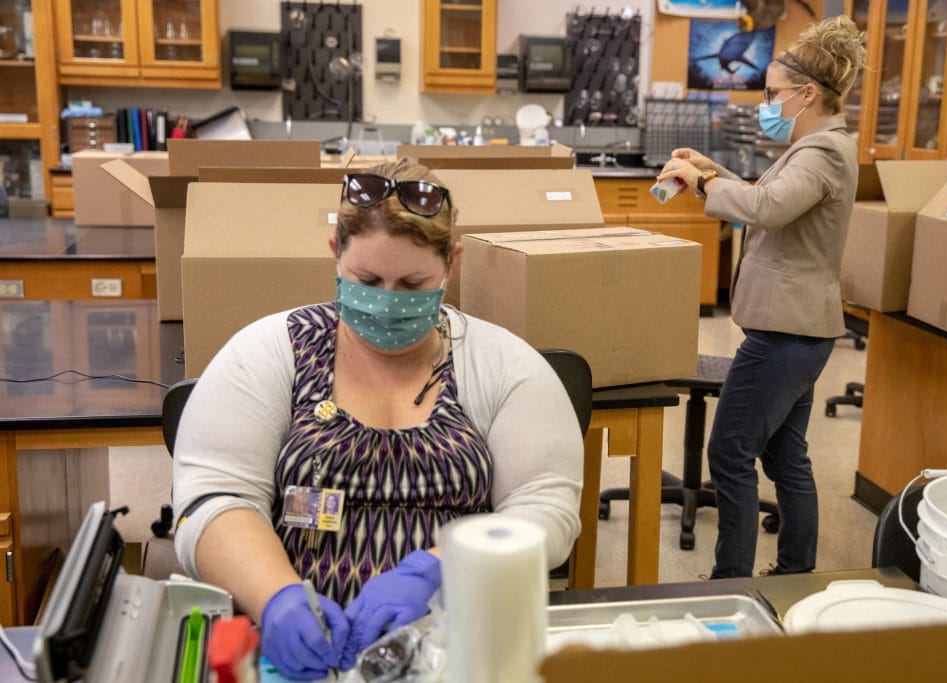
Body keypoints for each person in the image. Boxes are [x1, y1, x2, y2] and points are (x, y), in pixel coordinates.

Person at [171, 159, 584, 678]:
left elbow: (546, 506)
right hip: (300, 652)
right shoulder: (269, 353)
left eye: (413, 284)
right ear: (333, 253)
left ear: (451, 264)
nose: (387, 303)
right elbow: (213, 499)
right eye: (367, 279)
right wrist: (277, 598)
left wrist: (439, 568)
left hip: (456, 647)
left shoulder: (503, 365)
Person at [656, 16, 866, 579]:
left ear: (807, 93)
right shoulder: (818, 146)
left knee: (730, 453)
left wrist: (701, 185)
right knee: (784, 456)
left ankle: (731, 584)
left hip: (785, 335)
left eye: (773, 94)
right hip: (801, 331)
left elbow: (766, 209)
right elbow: (769, 195)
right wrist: (709, 169)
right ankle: (794, 575)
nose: (766, 104)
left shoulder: (821, 152)